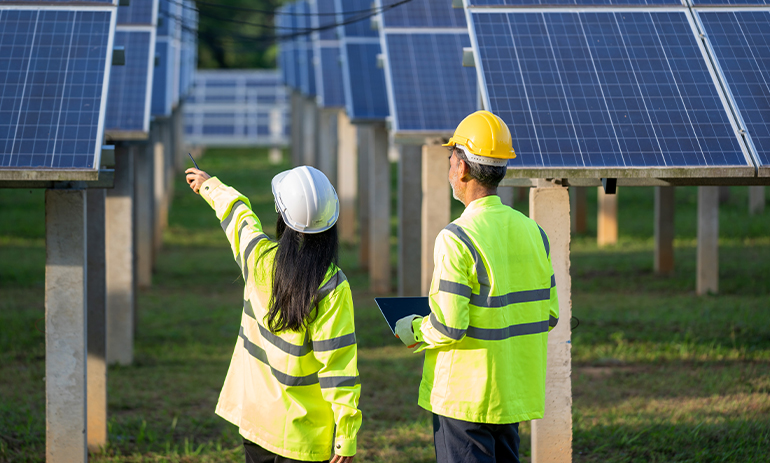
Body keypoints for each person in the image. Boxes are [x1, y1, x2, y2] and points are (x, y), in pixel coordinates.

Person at [394, 110, 560, 463]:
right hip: (512, 394)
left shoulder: (457, 237)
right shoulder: (535, 233)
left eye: (451, 157)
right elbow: (548, 314)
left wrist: (410, 328)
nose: (449, 166)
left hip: (465, 399)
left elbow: (448, 326)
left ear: (464, 168)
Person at [186, 165, 360, 463]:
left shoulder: (259, 259)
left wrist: (209, 185)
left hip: (256, 420)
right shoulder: (332, 284)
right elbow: (338, 364)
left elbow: (239, 217)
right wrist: (345, 435)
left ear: (282, 215)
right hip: (304, 436)